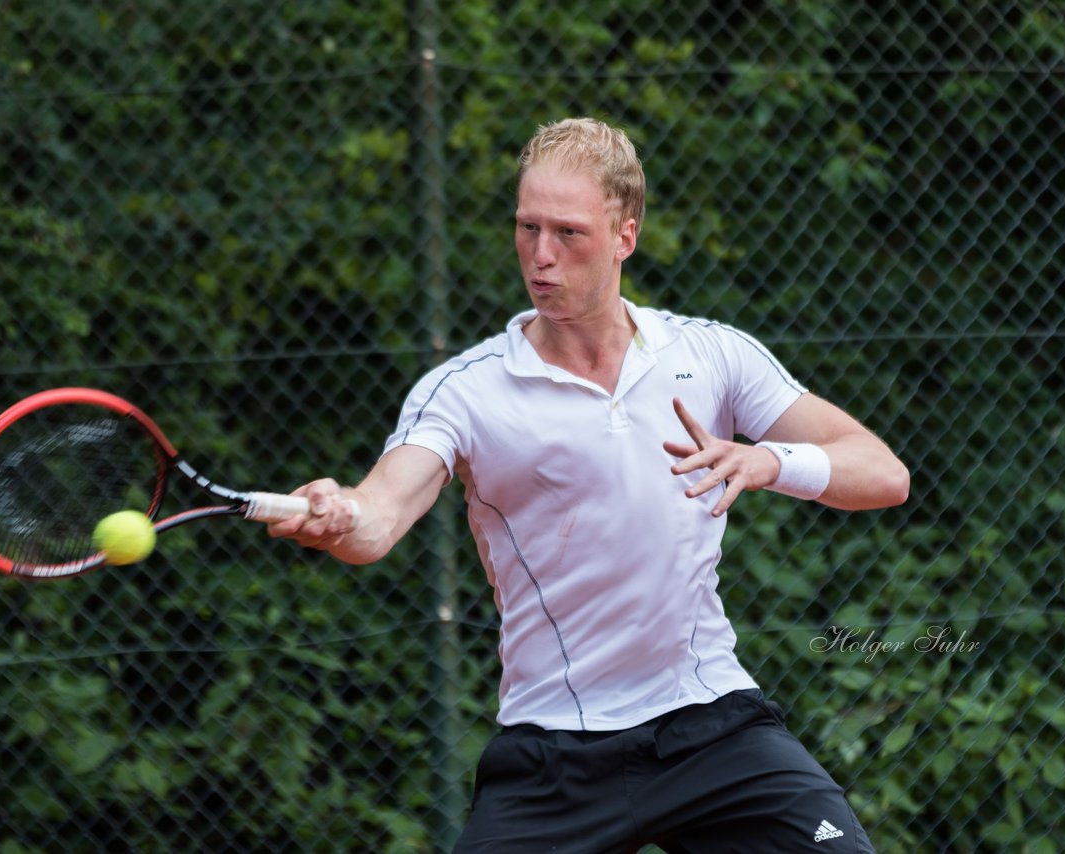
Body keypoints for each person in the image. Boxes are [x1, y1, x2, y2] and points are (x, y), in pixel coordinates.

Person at [269, 117, 909, 852]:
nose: (541, 257)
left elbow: (882, 473)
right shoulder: (465, 392)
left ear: (624, 236)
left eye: (568, 234)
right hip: (552, 757)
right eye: (527, 228)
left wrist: (770, 461)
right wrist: (340, 514)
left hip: (709, 725)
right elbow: (379, 516)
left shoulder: (710, 355)